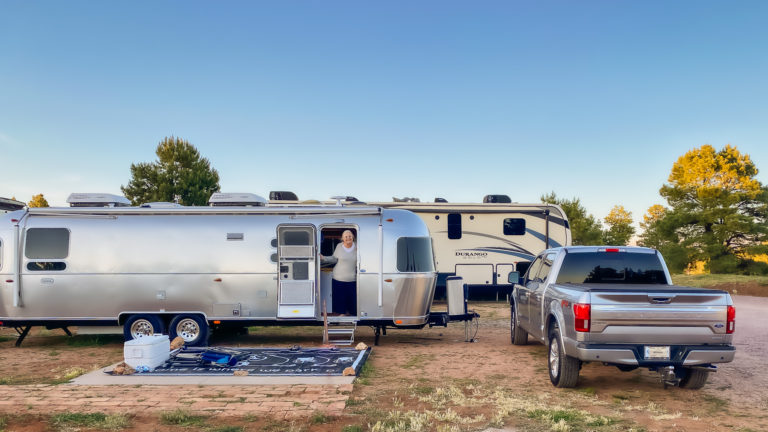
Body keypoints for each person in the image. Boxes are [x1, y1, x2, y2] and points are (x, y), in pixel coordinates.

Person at [319, 230, 357, 316]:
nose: (348, 238)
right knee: (340, 298)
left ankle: (351, 315)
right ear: (342, 238)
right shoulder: (339, 246)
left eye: (350, 236)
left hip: (352, 278)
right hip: (338, 277)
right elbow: (334, 259)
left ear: (353, 237)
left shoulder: (358, 247)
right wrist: (323, 258)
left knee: (352, 298)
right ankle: (342, 315)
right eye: (346, 236)